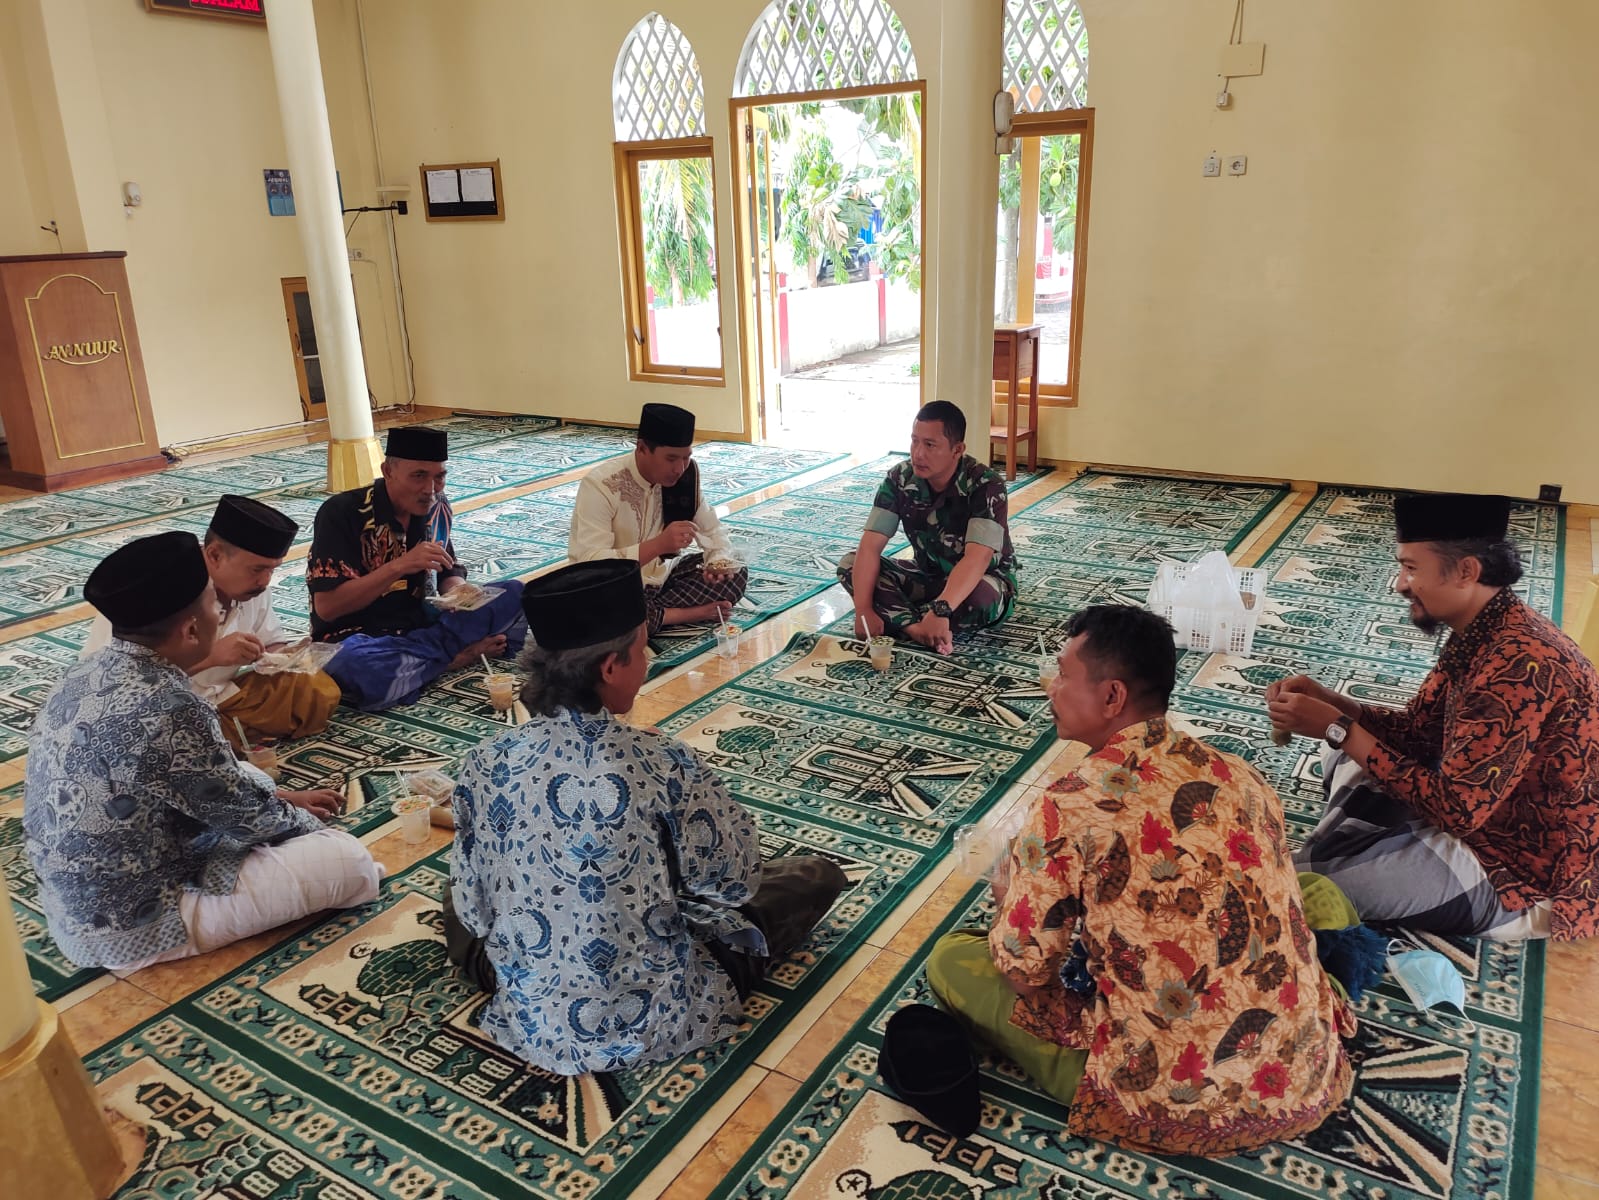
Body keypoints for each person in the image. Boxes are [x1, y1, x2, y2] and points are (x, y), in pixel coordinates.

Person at [927, 605, 1353, 1156]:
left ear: (1112, 698)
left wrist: (1011, 897)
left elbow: (1025, 971)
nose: (1050, 688)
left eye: (1062, 674)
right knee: (1317, 893)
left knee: (952, 959)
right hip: (1301, 1070)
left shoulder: (1069, 804)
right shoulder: (1240, 773)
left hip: (1164, 1088)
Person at [444, 559, 847, 1074]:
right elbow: (733, 882)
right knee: (812, 879)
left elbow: (475, 909)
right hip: (656, 1014)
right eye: (642, 650)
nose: (650, 661)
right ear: (610, 667)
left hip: (533, 1013)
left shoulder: (485, 758)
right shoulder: (662, 762)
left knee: (457, 895)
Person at [24, 532, 381, 972]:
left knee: (254, 778)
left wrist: (274, 798)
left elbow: (189, 781)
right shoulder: (170, 706)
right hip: (136, 922)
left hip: (69, 908)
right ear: (192, 629)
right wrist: (307, 826)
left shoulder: (83, 672)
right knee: (348, 861)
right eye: (214, 603)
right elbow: (252, 821)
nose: (220, 612)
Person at [1271, 492, 1599, 941]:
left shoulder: (1520, 665)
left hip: (1515, 871)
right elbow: (1418, 734)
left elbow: (1458, 813)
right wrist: (1337, 705)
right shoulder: (1485, 627)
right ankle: (1366, 844)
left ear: (1466, 571)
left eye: (1411, 568)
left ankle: (1358, 849)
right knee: (1348, 757)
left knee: (1302, 887)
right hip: (1475, 812)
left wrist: (1336, 728)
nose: (1400, 584)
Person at [81, 495, 336, 750]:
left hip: (224, 696)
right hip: (154, 707)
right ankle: (210, 741)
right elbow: (114, 690)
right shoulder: (157, 590)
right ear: (214, 555)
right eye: (257, 569)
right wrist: (213, 656)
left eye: (273, 569)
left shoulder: (252, 590)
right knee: (165, 739)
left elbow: (271, 641)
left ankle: (215, 738)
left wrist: (283, 658)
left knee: (313, 688)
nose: (265, 581)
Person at [306, 425, 525, 710]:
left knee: (517, 593)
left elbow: (447, 566)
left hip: (423, 624)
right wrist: (398, 567)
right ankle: (453, 658)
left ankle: (426, 662)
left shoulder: (437, 505)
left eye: (439, 477)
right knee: (355, 666)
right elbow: (328, 607)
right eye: (419, 476)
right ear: (388, 471)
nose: (430, 490)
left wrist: (459, 592)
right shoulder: (342, 513)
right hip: (359, 638)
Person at [839, 400, 1018, 655]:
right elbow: (869, 547)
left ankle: (909, 620)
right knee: (850, 564)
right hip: (928, 576)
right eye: (915, 441)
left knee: (982, 598)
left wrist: (941, 609)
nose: (918, 453)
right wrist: (863, 610)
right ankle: (919, 630)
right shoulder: (899, 479)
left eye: (930, 445)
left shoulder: (985, 485)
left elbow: (977, 560)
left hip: (981, 579)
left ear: (957, 450)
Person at [568, 402, 748, 635]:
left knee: (737, 571)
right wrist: (658, 546)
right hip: (610, 589)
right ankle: (686, 614)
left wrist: (717, 560)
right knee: (595, 612)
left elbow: (714, 532)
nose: (679, 468)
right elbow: (590, 563)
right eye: (671, 458)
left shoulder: (684, 478)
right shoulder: (601, 485)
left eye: (686, 458)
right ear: (642, 448)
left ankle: (646, 618)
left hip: (659, 584)